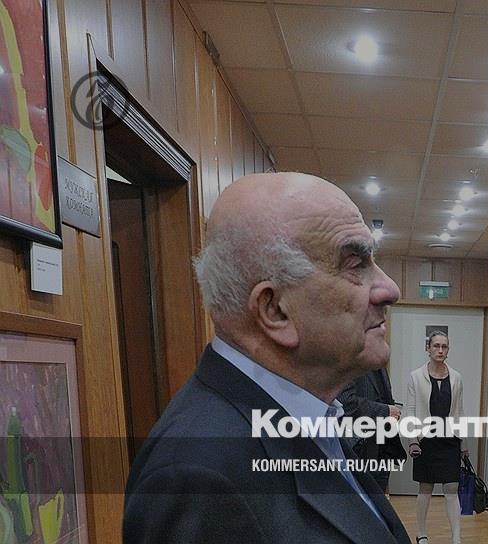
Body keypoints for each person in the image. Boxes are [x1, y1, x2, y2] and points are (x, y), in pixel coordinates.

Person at [123, 172, 410, 544]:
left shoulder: (309, 417)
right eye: (355, 264)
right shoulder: (201, 478)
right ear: (275, 310)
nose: (390, 289)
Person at [406, 331, 466, 544]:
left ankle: (456, 537)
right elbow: (411, 410)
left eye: (444, 346)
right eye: (436, 346)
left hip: (449, 439)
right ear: (428, 349)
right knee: (425, 488)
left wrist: (463, 442)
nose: (440, 350)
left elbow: (459, 411)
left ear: (448, 350)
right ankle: (421, 533)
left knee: (452, 488)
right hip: (426, 439)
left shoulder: (456, 377)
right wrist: (412, 440)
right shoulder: (416, 376)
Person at [337, 368, 408, 492]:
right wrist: (385, 410)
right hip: (358, 447)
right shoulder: (348, 361)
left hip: (383, 447)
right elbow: (346, 402)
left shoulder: (379, 365)